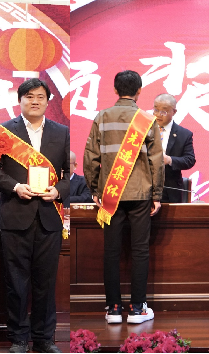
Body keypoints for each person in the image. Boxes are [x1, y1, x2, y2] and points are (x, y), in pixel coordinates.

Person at [0, 78, 70, 354]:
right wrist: (15, 186)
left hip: (49, 218)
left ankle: (44, 338)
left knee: (46, 281)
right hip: (15, 215)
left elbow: (70, 174)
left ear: (48, 101)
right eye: (29, 96)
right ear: (20, 100)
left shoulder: (62, 132)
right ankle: (19, 337)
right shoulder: (4, 131)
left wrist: (59, 190)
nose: (35, 101)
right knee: (16, 281)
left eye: (40, 96)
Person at [84, 70, 162, 325]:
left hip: (111, 194)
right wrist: (157, 194)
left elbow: (90, 157)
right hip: (140, 194)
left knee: (111, 251)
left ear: (116, 90)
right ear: (139, 91)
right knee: (140, 251)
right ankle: (138, 308)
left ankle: (114, 309)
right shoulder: (147, 119)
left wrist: (95, 190)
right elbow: (157, 162)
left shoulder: (102, 117)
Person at [151, 94, 195, 204]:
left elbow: (189, 160)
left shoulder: (184, 134)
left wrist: (170, 160)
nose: (158, 115)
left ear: (174, 112)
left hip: (170, 190)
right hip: (145, 189)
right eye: (156, 110)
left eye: (164, 111)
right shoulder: (144, 130)